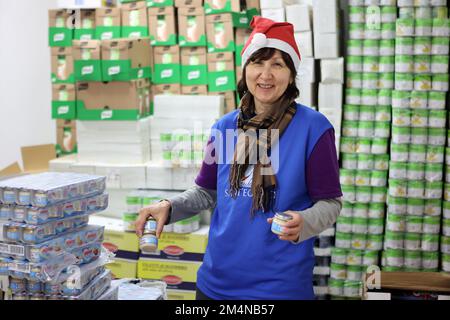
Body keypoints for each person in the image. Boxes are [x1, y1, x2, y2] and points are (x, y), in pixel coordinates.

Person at [136, 16, 342, 300]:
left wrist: (304, 222)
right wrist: (169, 207)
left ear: (292, 74)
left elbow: (330, 203)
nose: (265, 75)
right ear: (245, 69)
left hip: (280, 287)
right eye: (258, 63)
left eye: (277, 65)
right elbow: (207, 193)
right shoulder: (224, 127)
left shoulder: (314, 128)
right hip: (216, 284)